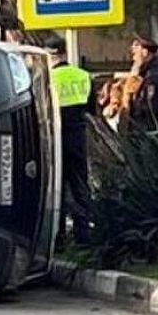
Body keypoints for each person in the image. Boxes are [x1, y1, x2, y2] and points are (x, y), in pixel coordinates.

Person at [48, 35, 93, 245]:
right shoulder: (83, 75)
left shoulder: (48, 78)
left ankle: (58, 236)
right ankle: (82, 232)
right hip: (78, 135)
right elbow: (92, 109)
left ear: (51, 55)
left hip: (56, 137)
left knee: (57, 186)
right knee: (80, 184)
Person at [126, 34, 158, 129]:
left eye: (136, 46)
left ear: (145, 52)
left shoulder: (154, 75)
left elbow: (150, 106)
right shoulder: (144, 72)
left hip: (147, 130)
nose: (132, 50)